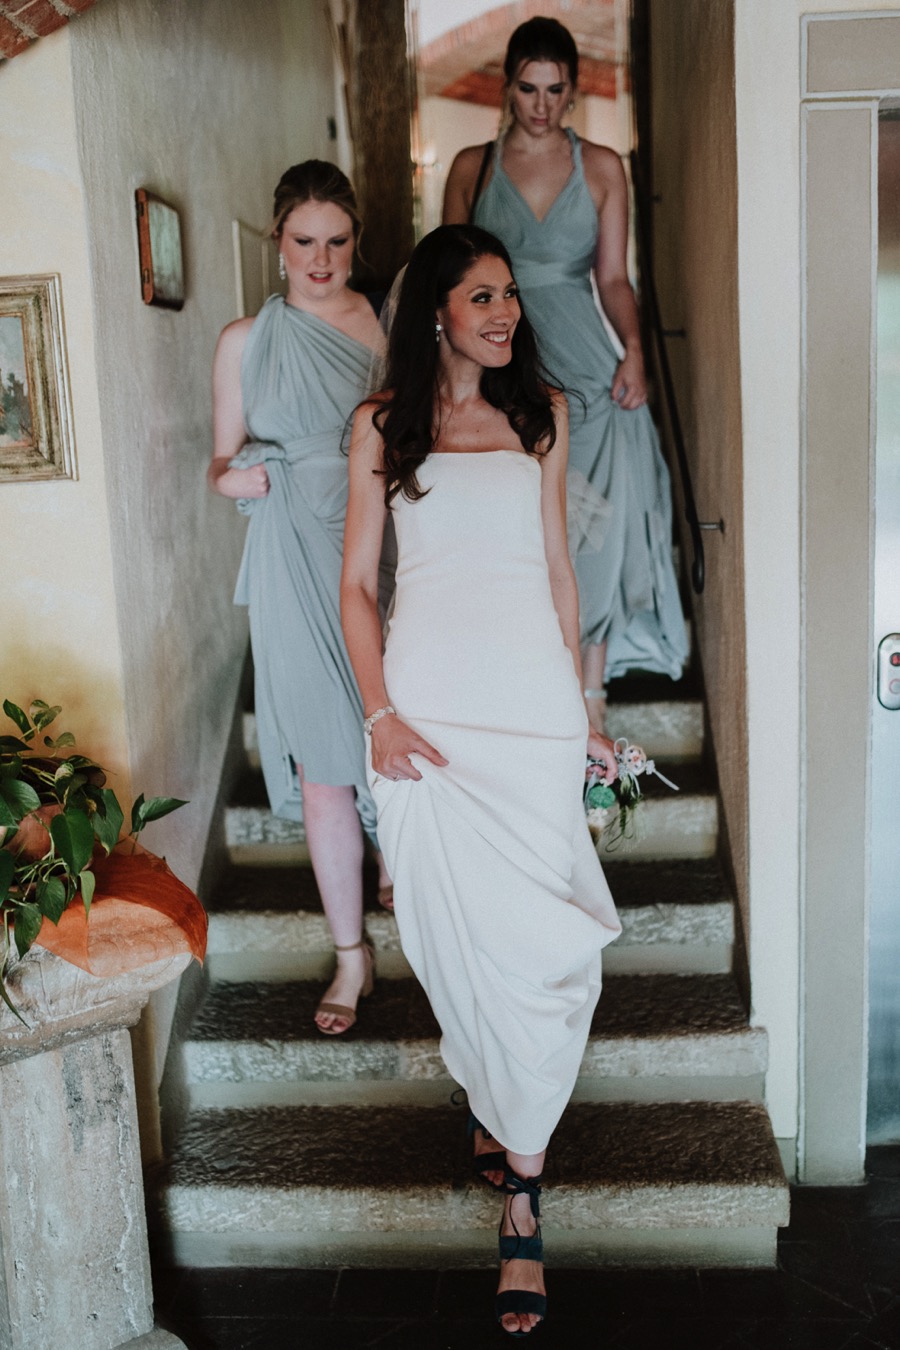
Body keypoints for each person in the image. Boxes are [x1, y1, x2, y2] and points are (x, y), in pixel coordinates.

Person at [340, 224, 621, 1336]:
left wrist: (584, 709)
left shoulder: (541, 414)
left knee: (544, 958)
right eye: (482, 297)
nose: (505, 313)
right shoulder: (380, 426)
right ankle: (500, 1113)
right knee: (457, 948)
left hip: (532, 718)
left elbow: (559, 571)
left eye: (508, 294)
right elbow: (358, 586)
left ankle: (523, 1204)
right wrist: (378, 714)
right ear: (437, 313)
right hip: (426, 717)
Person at [443, 16, 688, 733]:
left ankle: (590, 693)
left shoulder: (605, 166)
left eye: (556, 90)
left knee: (600, 532)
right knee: (516, 522)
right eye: (528, 88)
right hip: (503, 357)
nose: (542, 105)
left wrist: (635, 352)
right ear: (508, 87)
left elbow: (613, 278)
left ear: (574, 91)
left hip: (589, 360)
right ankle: (521, 675)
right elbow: (446, 282)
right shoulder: (470, 168)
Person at [208, 159, 391, 1036]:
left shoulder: (383, 324)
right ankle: (350, 955)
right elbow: (219, 460)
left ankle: (412, 885)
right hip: (286, 551)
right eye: (303, 242)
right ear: (277, 244)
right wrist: (231, 480)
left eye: (337, 242)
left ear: (356, 242)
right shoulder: (245, 339)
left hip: (372, 545)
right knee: (324, 766)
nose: (320, 259)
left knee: (400, 732)